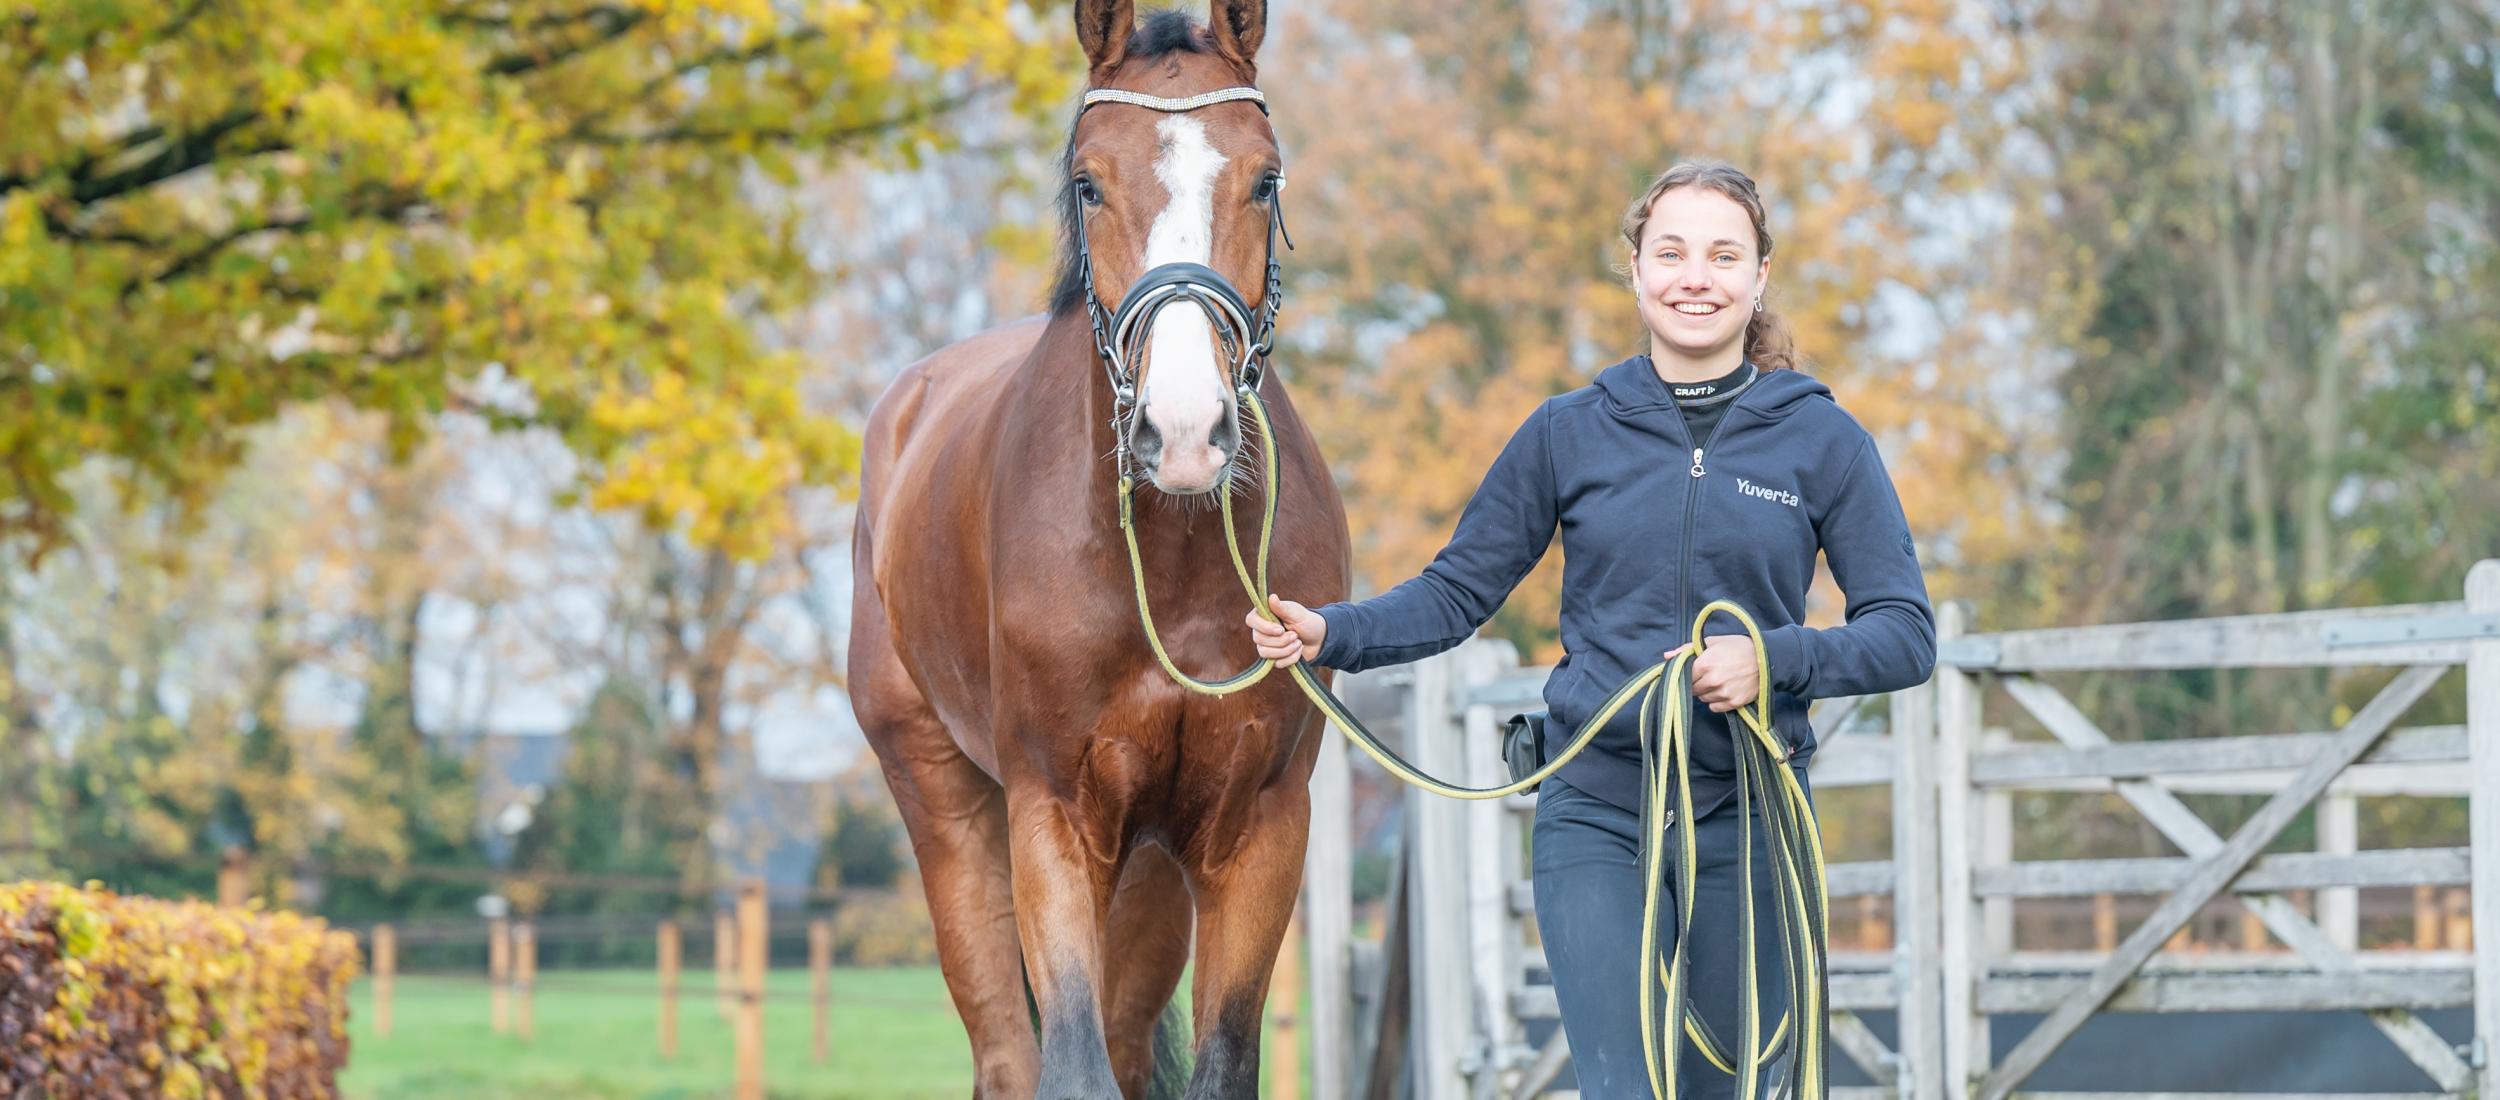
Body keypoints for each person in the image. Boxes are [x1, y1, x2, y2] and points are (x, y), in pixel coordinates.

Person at [1245, 161, 1937, 1098]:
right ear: (1639, 271)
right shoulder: (1568, 433)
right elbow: (1457, 592)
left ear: (1760, 275)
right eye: (1673, 252)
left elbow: (1905, 633)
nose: (1697, 276)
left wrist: (1775, 658)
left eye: (1724, 255)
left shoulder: (1825, 443)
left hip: (1751, 812)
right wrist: (1334, 633)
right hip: (1597, 809)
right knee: (1620, 1086)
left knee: (1723, 1087)